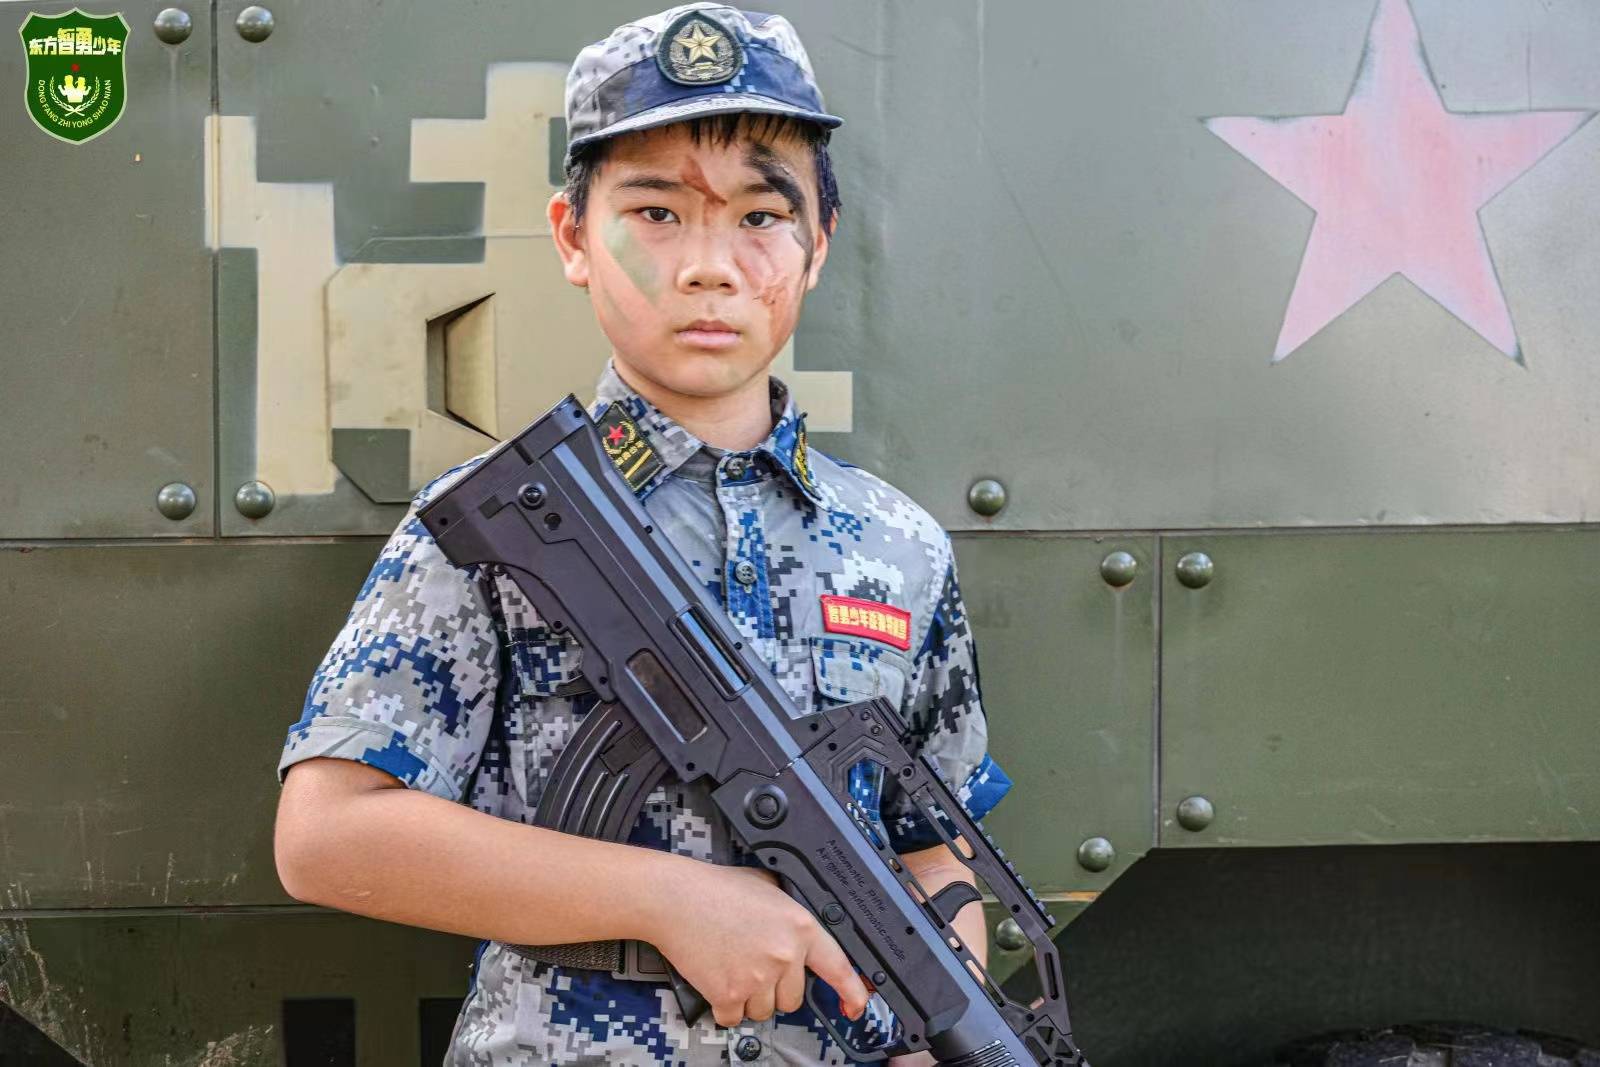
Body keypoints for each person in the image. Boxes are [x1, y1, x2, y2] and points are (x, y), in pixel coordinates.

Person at [273, 5, 1012, 1063]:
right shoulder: (500, 522)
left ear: (818, 246)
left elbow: (933, 853)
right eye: (656, 214)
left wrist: (929, 1040)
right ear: (573, 237)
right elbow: (327, 837)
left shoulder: (898, 546)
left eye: (761, 217)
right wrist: (671, 898)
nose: (710, 265)